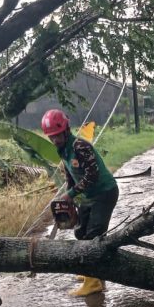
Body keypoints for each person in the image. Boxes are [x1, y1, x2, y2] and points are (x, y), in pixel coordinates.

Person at [41, 109, 120, 296]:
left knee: (94, 235)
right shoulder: (63, 149)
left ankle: (93, 282)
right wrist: (71, 197)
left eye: (57, 136)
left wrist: (71, 194)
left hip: (104, 193)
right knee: (81, 232)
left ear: (66, 130)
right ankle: (91, 270)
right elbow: (70, 174)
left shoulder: (80, 146)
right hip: (87, 196)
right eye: (51, 137)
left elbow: (92, 175)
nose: (54, 140)